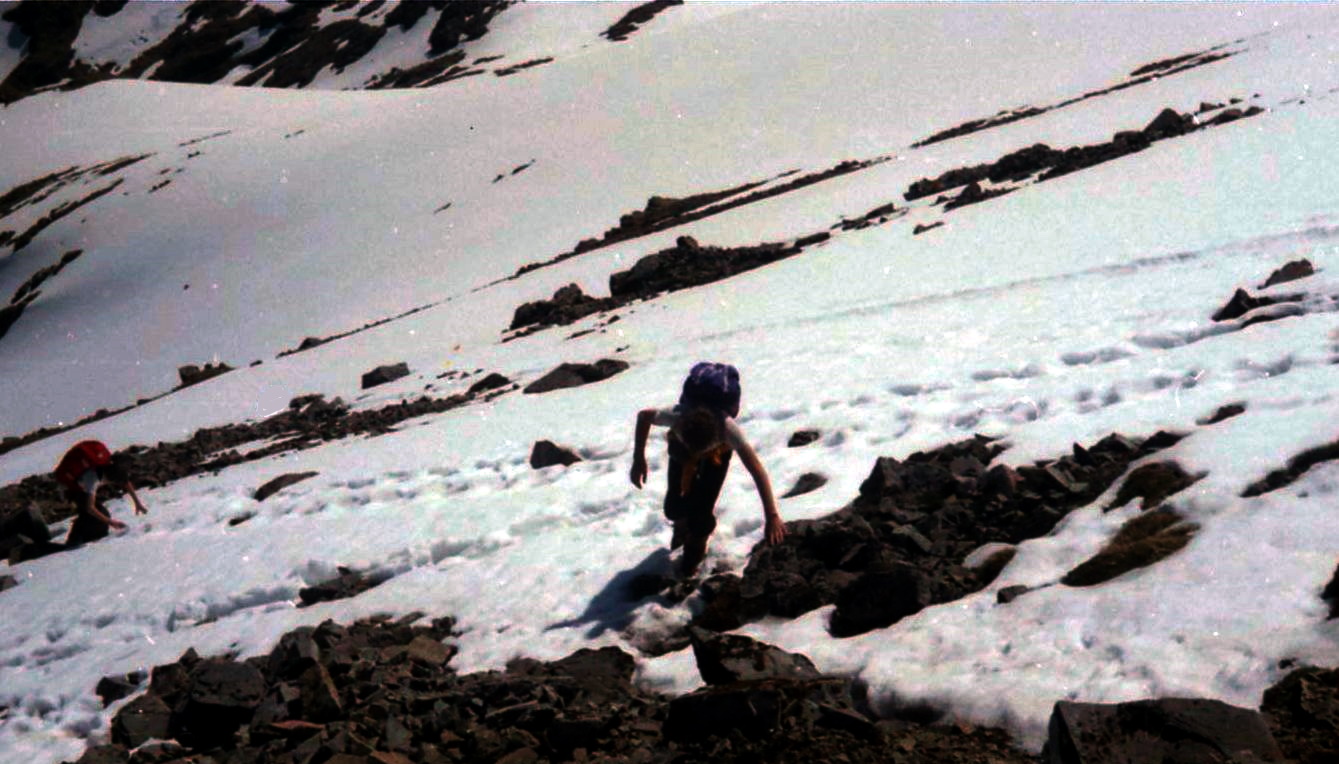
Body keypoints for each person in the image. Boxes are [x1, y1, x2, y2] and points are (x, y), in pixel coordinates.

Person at [630, 362, 785, 577]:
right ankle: (681, 524)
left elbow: (757, 471)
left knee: (701, 515)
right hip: (681, 450)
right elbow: (644, 416)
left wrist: (772, 516)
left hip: (716, 457)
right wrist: (639, 458)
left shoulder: (728, 431)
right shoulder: (677, 415)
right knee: (674, 507)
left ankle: (693, 556)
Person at [52, 440, 148, 546]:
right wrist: (112, 522)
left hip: (82, 485)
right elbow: (90, 507)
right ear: (110, 476)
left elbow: (126, 482)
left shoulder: (110, 466)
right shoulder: (93, 478)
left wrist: (137, 503)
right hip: (73, 486)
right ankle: (75, 541)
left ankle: (79, 536)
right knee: (94, 515)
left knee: (97, 515)